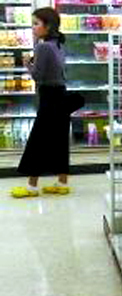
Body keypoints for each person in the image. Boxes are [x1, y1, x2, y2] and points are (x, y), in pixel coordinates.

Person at [11, 7, 83, 198]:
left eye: (36, 23)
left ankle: (32, 187)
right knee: (59, 139)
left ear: (48, 26)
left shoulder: (42, 46)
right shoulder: (57, 43)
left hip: (49, 97)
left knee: (38, 140)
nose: (33, 27)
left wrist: (27, 62)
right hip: (61, 94)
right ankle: (62, 182)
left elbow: (38, 76)